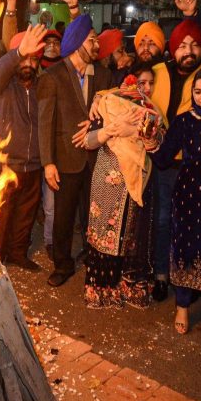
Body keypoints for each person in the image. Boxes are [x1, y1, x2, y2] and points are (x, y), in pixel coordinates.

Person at [149, 18, 201, 301]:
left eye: (195, 44)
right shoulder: (159, 71)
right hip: (173, 170)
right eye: (182, 45)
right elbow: (131, 85)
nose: (188, 50)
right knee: (164, 222)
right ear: (173, 49)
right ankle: (162, 277)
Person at [151, 68, 201, 334]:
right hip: (189, 200)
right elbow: (163, 159)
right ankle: (182, 307)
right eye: (197, 92)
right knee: (187, 250)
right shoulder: (185, 121)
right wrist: (150, 142)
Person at [37, 14, 112, 287]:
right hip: (65, 161)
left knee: (93, 215)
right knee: (63, 218)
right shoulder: (52, 76)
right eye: (92, 40)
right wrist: (48, 163)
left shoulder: (102, 74)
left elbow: (110, 113)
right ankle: (62, 264)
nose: (96, 45)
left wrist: (94, 125)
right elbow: (45, 124)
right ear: (78, 42)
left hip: (96, 158)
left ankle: (94, 261)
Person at [78, 70, 164, 308]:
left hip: (139, 182)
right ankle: (102, 288)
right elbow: (87, 141)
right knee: (105, 233)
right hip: (108, 182)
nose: (143, 88)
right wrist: (112, 130)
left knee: (132, 236)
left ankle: (126, 286)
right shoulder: (107, 104)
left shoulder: (154, 113)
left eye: (149, 84)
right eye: (140, 82)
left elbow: (159, 147)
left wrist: (146, 135)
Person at [0, 24, 46, 270]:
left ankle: (18, 254)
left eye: (33, 59)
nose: (28, 64)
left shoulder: (41, 88)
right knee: (0, 217)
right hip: (5, 164)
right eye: (24, 59)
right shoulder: (1, 86)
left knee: (25, 216)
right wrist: (18, 52)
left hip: (33, 164)